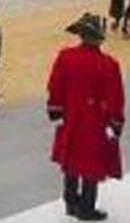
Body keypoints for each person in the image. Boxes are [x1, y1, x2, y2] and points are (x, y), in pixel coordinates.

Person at [47, 13, 125, 222]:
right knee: (91, 165)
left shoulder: (65, 56)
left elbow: (55, 85)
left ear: (81, 35)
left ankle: (71, 201)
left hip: (71, 117)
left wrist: (56, 110)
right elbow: (116, 97)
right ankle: (86, 208)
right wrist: (115, 122)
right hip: (95, 121)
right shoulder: (109, 64)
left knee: (71, 160)